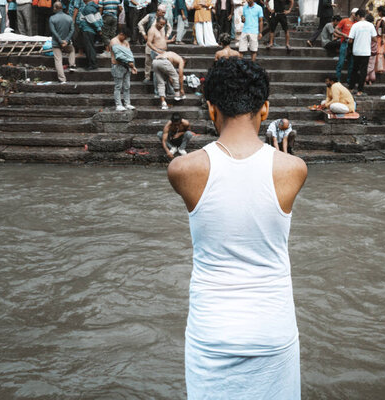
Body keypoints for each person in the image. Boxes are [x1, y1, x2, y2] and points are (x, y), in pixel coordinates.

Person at [167, 57, 307, 399]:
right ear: (265, 110)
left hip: (211, 331)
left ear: (212, 110)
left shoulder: (183, 170)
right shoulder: (293, 168)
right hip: (273, 328)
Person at [347, 8, 376, 96]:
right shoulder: (370, 25)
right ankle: (360, 90)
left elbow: (350, 40)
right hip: (366, 52)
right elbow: (375, 38)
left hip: (356, 51)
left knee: (354, 70)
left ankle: (351, 88)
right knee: (363, 71)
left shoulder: (355, 25)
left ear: (359, 16)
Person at [139, 4, 171, 80]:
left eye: (164, 12)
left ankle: (158, 77)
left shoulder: (164, 19)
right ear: (158, 11)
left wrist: (167, 35)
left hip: (160, 44)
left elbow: (170, 27)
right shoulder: (150, 16)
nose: (164, 14)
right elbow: (140, 23)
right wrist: (143, 34)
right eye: (162, 12)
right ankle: (147, 76)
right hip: (151, 42)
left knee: (159, 62)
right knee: (148, 61)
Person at [111, 27, 138, 110]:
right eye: (125, 37)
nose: (126, 39)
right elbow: (119, 56)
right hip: (117, 65)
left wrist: (133, 66)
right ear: (121, 34)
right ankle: (118, 104)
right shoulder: (114, 41)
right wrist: (131, 64)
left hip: (127, 66)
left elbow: (129, 55)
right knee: (118, 86)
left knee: (127, 86)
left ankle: (127, 103)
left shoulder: (126, 42)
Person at [49, 2, 76, 83]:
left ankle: (62, 80)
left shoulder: (52, 18)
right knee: (71, 50)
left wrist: (60, 41)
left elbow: (53, 31)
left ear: (55, 8)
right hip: (66, 42)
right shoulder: (69, 18)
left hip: (56, 43)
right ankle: (72, 65)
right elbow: (72, 30)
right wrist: (67, 40)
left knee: (58, 60)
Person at [78, 0, 103, 70]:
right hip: (92, 31)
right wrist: (99, 27)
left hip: (87, 30)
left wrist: (98, 28)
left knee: (89, 48)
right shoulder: (94, 7)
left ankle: (92, 64)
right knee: (91, 47)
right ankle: (91, 63)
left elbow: (92, 20)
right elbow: (99, 19)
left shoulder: (87, 8)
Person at [334, 8, 356, 84]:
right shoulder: (344, 20)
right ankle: (338, 80)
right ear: (352, 13)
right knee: (341, 62)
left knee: (351, 63)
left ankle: (349, 80)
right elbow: (336, 29)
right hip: (344, 42)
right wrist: (343, 34)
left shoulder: (357, 23)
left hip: (353, 44)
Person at [373, 6, 385, 74]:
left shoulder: (382, 20)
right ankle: (379, 67)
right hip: (382, 38)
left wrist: (382, 38)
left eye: (378, 12)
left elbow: (383, 30)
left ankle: (380, 68)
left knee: (379, 53)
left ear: (380, 12)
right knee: (380, 53)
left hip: (380, 38)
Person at [364, 14, 378, 85]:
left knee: (367, 65)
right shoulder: (374, 28)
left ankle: (365, 78)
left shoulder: (366, 28)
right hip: (374, 50)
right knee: (372, 65)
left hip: (367, 49)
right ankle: (370, 79)